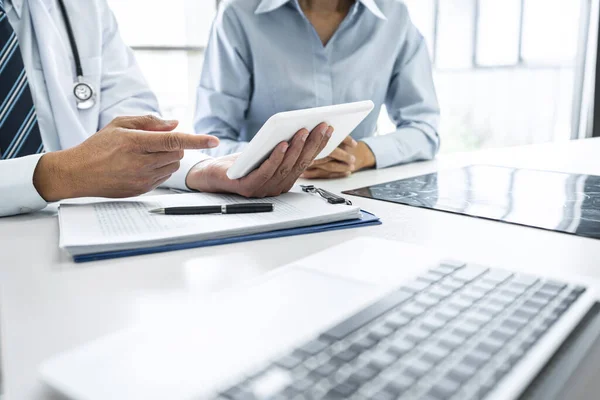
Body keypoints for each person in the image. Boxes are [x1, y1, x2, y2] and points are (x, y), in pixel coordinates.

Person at [0, 0, 332, 217]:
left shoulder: (80, 8)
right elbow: (79, 167)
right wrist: (56, 175)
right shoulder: (239, 14)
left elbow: (135, 128)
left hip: (71, 234)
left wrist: (199, 170)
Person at [195, 0, 441, 180]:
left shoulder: (394, 15)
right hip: (262, 199)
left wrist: (361, 155)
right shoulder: (238, 13)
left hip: (358, 196)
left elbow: (425, 130)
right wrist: (280, 159)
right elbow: (211, 139)